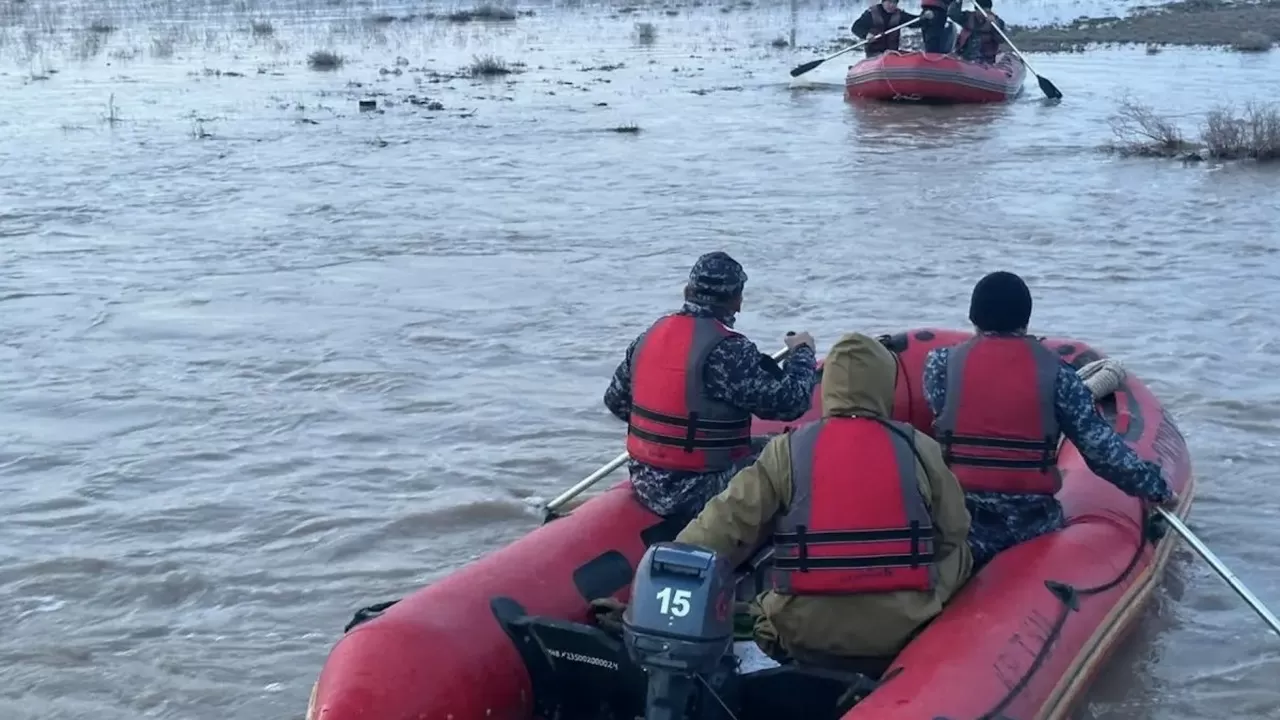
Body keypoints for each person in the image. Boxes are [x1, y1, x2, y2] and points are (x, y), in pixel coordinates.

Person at [675, 333, 973, 664]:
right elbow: (954, 531)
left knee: (762, 581)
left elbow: (723, 524)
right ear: (884, 384)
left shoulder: (785, 451)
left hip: (804, 631)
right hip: (902, 625)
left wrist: (668, 568)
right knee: (961, 553)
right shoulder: (919, 447)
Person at [923, 271, 1175, 569]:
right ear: (1026, 320)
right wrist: (1155, 487)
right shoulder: (1057, 374)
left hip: (964, 526)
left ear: (973, 318)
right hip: (1031, 528)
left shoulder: (940, 365)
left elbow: (944, 412)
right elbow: (1102, 452)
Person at [603, 252, 819, 522]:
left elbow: (615, 401)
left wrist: (666, 437)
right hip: (698, 489)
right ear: (736, 301)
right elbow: (793, 403)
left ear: (687, 291)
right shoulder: (729, 350)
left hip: (645, 480)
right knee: (797, 454)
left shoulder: (648, 337)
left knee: (762, 444)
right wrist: (802, 353)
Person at [850, 0, 920, 58]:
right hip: (874, 54)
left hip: (892, 53)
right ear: (883, 2)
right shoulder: (871, 13)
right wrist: (866, 35)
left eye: (894, 2)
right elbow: (856, 27)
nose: (892, 5)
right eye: (889, 2)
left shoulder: (899, 14)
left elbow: (914, 21)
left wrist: (925, 16)